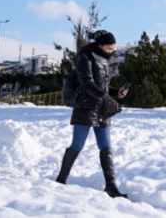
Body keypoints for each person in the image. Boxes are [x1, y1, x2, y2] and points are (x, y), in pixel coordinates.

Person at [55, 31, 130, 198]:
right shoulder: (85, 57)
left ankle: (111, 186)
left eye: (113, 47)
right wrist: (105, 97)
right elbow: (86, 82)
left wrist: (117, 93)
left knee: (106, 147)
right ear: (100, 45)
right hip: (85, 107)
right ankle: (61, 179)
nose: (112, 50)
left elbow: (102, 87)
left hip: (102, 108)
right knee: (77, 145)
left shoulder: (105, 59)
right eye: (109, 47)